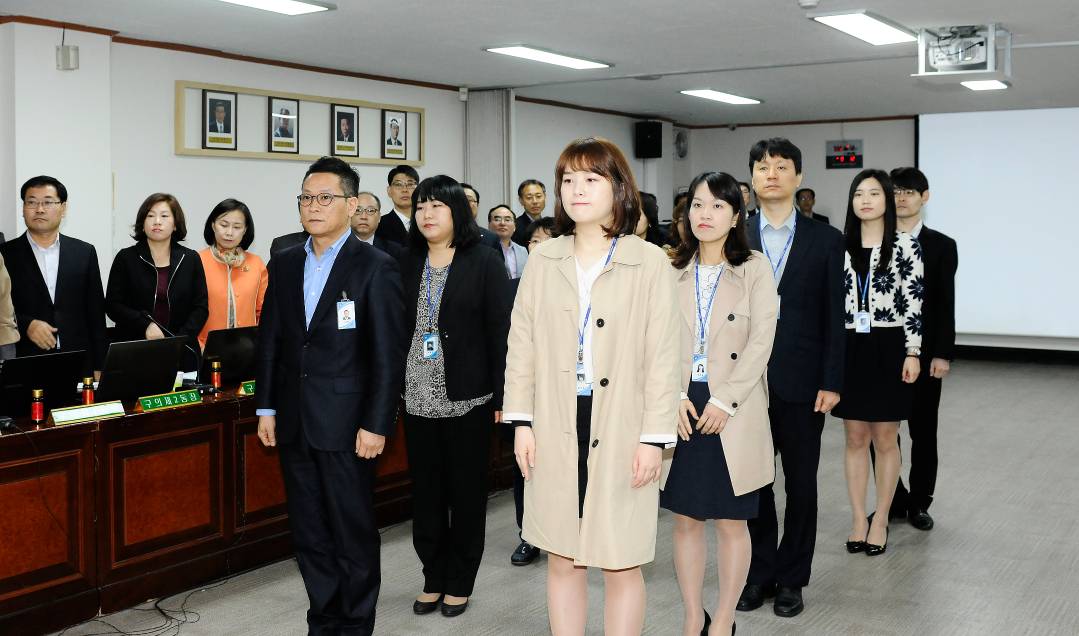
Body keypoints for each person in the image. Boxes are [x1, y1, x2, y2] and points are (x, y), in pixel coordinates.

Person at [504, 136, 680, 635]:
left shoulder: (648, 262)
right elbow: (522, 344)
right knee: (562, 555)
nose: (576, 190)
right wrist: (521, 420)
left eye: (591, 179)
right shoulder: (544, 259)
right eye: (568, 180)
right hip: (555, 418)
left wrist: (653, 437)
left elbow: (665, 357)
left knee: (621, 559)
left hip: (623, 422)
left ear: (619, 188)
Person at [255, 156, 407, 636]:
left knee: (352, 529)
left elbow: (388, 354)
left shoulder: (375, 266)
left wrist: (378, 422)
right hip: (296, 419)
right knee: (310, 531)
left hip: (349, 423)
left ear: (352, 204)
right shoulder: (283, 262)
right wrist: (266, 407)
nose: (313, 206)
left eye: (325, 198)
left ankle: (357, 623)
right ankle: (323, 619)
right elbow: (273, 340)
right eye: (306, 198)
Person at [661, 171, 778, 636]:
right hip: (682, 407)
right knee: (686, 520)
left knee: (732, 521)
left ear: (735, 216)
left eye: (716, 206)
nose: (704, 215)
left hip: (735, 407)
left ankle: (725, 617)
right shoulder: (669, 267)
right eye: (696, 205)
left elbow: (762, 340)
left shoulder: (755, 267)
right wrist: (670, 396)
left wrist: (726, 401)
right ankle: (693, 617)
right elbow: (653, 343)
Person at [739, 138, 845, 618]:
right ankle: (758, 573)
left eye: (782, 167)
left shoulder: (826, 239)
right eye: (763, 167)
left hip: (803, 382)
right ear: (753, 179)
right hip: (744, 384)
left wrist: (832, 379)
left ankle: (792, 578)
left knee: (801, 484)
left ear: (798, 177)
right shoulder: (734, 234)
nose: (772, 174)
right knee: (754, 484)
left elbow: (836, 316)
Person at [400, 175, 511, 618]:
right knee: (426, 496)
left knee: (465, 495)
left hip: (468, 398)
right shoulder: (404, 261)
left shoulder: (482, 261)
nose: (426, 215)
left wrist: (504, 396)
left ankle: (460, 580)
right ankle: (433, 575)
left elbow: (500, 335)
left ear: (457, 214)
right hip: (416, 398)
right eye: (421, 207)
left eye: (437, 207)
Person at [833, 169, 923, 558]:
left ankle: (882, 517)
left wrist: (913, 352)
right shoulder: (839, 247)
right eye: (858, 194)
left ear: (887, 199)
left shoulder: (906, 246)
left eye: (874, 193)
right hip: (850, 344)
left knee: (886, 438)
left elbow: (915, 301)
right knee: (854, 437)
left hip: (889, 343)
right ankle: (858, 518)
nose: (865, 199)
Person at [887, 167, 957, 531]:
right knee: (881, 431)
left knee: (923, 431)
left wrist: (942, 353)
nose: (902, 198)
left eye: (910, 192)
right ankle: (894, 498)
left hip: (926, 354)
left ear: (924, 197)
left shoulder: (942, 246)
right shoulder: (874, 241)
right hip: (880, 353)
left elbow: (946, 303)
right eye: (896, 191)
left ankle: (919, 503)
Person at [1, 175, 107, 375]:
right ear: (23, 208)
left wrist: (99, 365)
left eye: (48, 202)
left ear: (63, 208)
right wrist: (27, 325)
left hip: (78, 359)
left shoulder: (84, 252)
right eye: (31, 202)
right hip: (23, 360)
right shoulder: (5, 254)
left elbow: (95, 313)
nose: (39, 209)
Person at [505, 215, 555, 567]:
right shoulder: (517, 286)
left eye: (547, 241)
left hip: (566, 392)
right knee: (527, 468)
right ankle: (529, 535)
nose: (539, 248)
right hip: (530, 392)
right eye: (534, 242)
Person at [105, 193, 208, 360]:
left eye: (164, 216)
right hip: (134, 349)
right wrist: (145, 326)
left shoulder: (190, 259)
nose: (157, 221)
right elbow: (113, 305)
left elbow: (200, 307)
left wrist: (179, 340)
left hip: (182, 350)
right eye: (150, 215)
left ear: (175, 224)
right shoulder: (126, 258)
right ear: (142, 223)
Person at [197, 199, 268, 349]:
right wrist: (198, 345)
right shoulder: (197, 261)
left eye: (237, 227)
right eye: (223, 225)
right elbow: (187, 312)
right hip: (205, 349)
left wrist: (258, 343)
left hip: (247, 350)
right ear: (213, 225)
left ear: (245, 229)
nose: (229, 232)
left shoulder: (256, 264)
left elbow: (265, 311)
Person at [377, 165, 419, 246]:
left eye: (410, 184)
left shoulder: (427, 222)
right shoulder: (379, 225)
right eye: (398, 185)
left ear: (418, 190)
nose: (404, 190)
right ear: (389, 191)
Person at [488, 205, 528, 278]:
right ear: (489, 225)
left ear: (515, 227)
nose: (502, 223)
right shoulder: (484, 249)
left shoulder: (523, 251)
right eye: (497, 219)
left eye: (507, 220)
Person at [458, 183, 501, 249]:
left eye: (469, 200)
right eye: (459, 200)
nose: (464, 203)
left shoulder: (491, 238)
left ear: (477, 205)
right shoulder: (440, 235)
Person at [511, 179, 547, 246]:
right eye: (529, 197)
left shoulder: (550, 226)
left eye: (538, 196)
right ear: (521, 200)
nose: (535, 201)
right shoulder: (515, 228)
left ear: (545, 197)